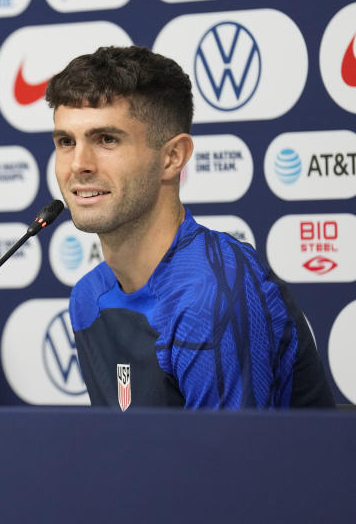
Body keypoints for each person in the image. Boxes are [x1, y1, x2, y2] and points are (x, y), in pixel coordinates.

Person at [46, 45, 334, 409]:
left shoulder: (210, 295)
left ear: (173, 157)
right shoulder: (88, 298)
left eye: (107, 139)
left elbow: (232, 464)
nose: (79, 164)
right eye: (66, 142)